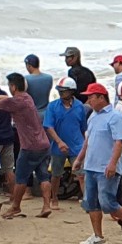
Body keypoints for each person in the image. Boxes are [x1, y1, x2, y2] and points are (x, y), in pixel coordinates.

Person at [0, 72, 53, 220]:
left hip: (30, 146)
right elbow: (5, 99)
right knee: (43, 176)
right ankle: (46, 206)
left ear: (12, 86)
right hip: (43, 143)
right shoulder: (27, 98)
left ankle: (15, 207)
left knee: (21, 178)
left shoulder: (16, 102)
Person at [75, 83, 122, 244]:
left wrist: (112, 163)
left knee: (107, 202)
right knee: (91, 202)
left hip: (106, 167)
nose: (88, 100)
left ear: (101, 97)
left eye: (91, 96)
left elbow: (119, 142)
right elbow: (88, 141)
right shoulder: (93, 116)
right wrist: (79, 159)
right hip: (91, 165)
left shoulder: (115, 116)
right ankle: (98, 236)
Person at [41, 78, 86, 218]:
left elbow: (83, 128)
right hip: (58, 146)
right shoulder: (52, 106)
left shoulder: (80, 107)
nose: (61, 93)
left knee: (82, 174)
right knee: (56, 174)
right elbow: (48, 126)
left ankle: (87, 200)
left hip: (76, 144)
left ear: (71, 91)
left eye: (63, 91)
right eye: (59, 91)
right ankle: (54, 198)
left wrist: (85, 145)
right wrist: (59, 142)